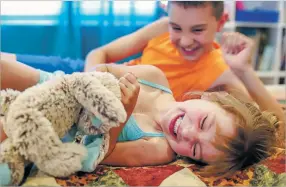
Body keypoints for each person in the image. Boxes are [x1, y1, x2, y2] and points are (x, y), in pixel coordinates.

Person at [0, 31, 284, 177]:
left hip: (57, 126)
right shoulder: (155, 76)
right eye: (203, 122)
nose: (187, 133)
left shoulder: (158, 148)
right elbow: (99, 73)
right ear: (209, 98)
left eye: (195, 149)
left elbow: (100, 156)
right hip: (53, 85)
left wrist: (119, 117)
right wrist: (106, 82)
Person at [85, 1, 249, 102]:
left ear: (221, 22)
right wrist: (91, 85)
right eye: (176, 28)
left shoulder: (222, 70)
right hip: (103, 87)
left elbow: (268, 119)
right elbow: (99, 53)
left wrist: (245, 71)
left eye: (197, 30)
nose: (185, 41)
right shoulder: (162, 27)